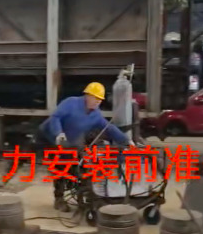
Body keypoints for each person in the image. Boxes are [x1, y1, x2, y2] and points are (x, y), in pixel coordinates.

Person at [36, 82, 134, 212]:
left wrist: (126, 141)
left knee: (80, 163)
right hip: (49, 136)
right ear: (87, 96)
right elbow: (55, 117)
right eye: (95, 98)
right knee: (60, 165)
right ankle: (59, 198)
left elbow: (108, 128)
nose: (98, 101)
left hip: (69, 139)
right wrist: (58, 133)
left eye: (100, 99)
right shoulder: (71, 103)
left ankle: (83, 193)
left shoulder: (96, 115)